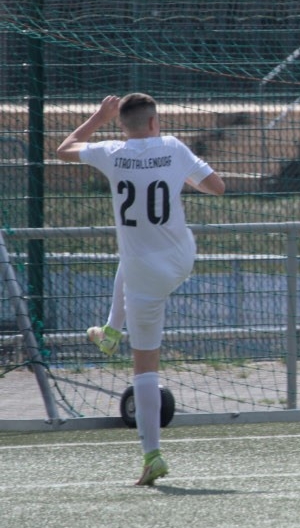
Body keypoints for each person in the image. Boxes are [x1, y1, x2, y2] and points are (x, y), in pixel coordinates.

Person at [57, 93, 225, 485]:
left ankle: (152, 456)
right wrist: (182, 176)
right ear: (153, 122)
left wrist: (98, 117)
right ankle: (110, 330)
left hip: (146, 276)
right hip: (181, 259)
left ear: (122, 126)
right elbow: (218, 187)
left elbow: (64, 149)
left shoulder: (112, 152)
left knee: (145, 368)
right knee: (131, 259)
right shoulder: (173, 147)